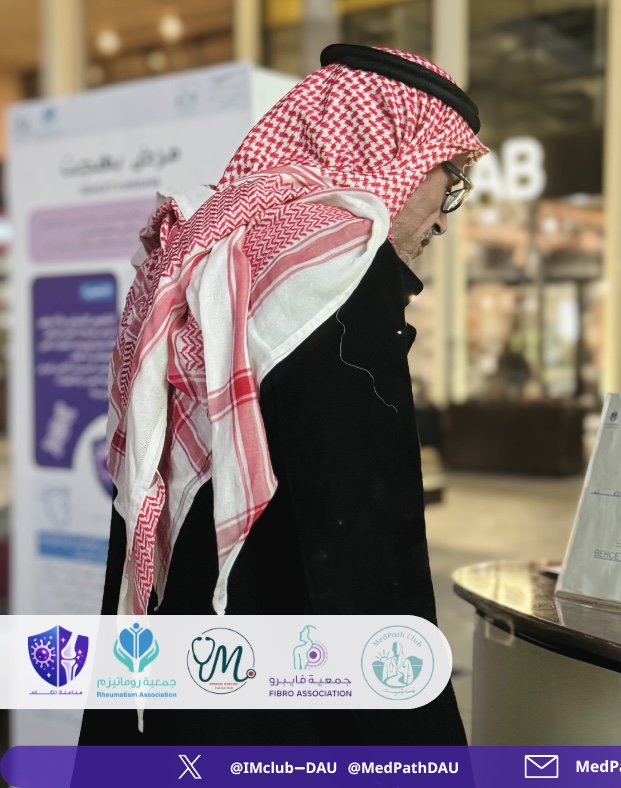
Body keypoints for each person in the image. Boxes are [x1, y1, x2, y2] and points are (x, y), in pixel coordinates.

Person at [79, 44, 488, 746]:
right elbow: (365, 549)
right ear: (400, 152)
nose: (444, 219)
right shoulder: (340, 270)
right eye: (449, 183)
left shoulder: (208, 244)